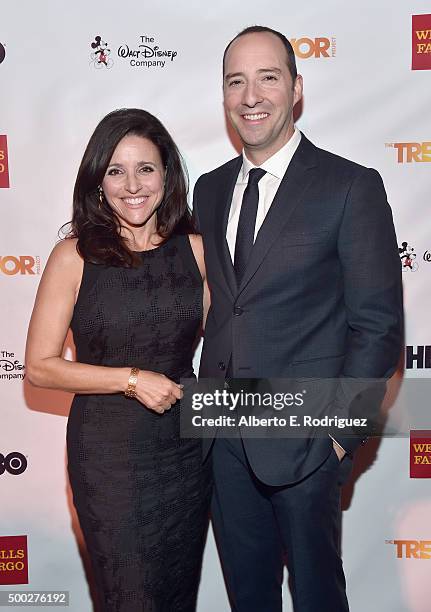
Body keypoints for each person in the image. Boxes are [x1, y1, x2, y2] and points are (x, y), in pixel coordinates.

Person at [192, 26, 403, 612]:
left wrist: (339, 436)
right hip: (223, 437)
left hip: (307, 439)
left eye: (268, 77)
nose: (250, 95)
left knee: (317, 597)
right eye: (236, 81)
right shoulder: (208, 191)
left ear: (297, 88)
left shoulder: (349, 186)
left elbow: (378, 325)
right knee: (247, 597)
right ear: (224, 95)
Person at [26, 108, 212, 612]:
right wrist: (131, 379)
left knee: (175, 596)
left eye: (145, 169)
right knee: (128, 597)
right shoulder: (74, 256)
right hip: (107, 458)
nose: (132, 185)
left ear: (167, 175)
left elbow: (232, 346)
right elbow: (40, 366)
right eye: (115, 170)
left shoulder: (196, 251)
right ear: (97, 181)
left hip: (184, 455)